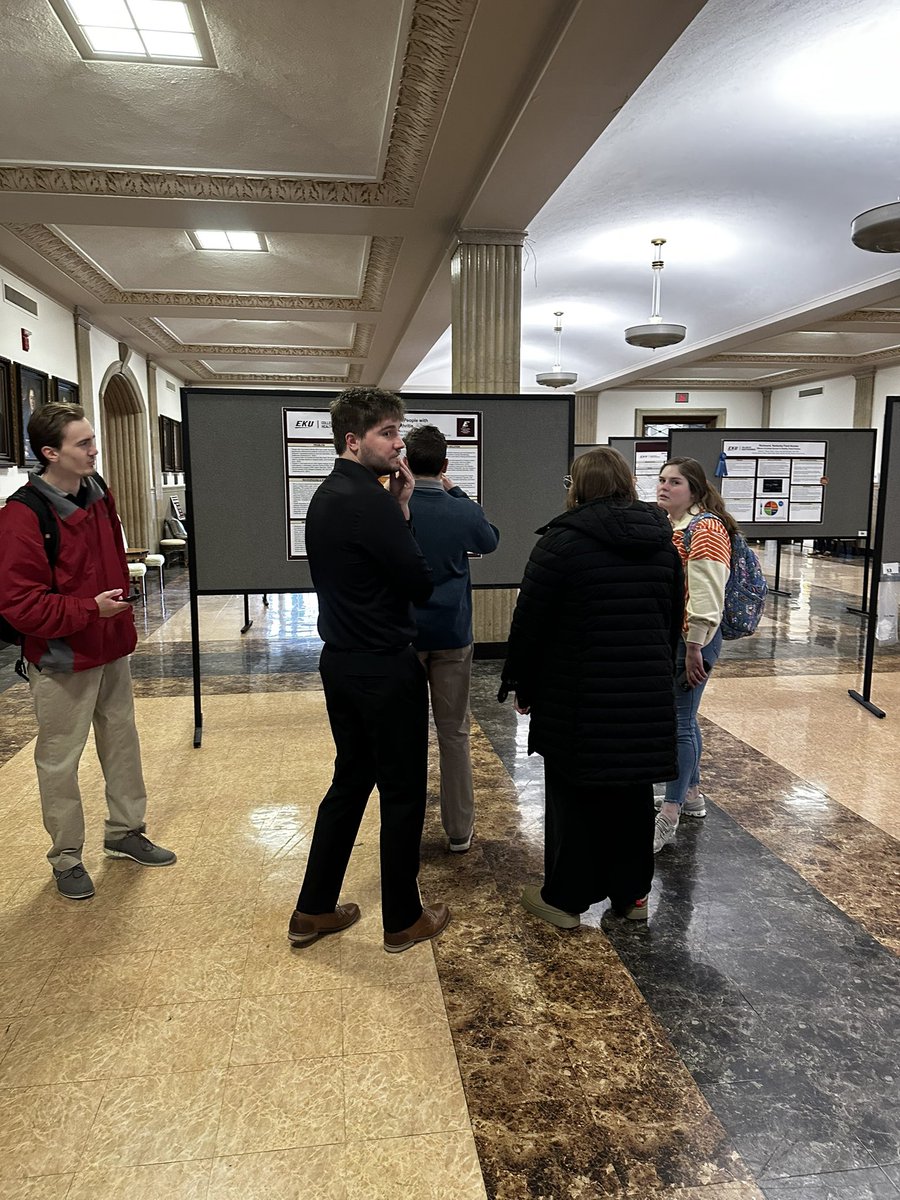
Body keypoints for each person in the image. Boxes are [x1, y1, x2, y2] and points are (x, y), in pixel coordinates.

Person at [289, 388, 450, 953]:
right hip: (384, 666)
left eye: (399, 430)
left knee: (352, 779)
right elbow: (418, 581)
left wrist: (397, 506)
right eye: (387, 433)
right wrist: (402, 512)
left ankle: (313, 908)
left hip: (342, 661)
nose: (399, 442)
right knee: (403, 791)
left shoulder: (328, 495)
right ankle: (403, 919)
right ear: (353, 441)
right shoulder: (369, 501)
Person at [499, 447, 684, 926]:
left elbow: (530, 624)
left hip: (576, 696)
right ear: (628, 484)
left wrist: (521, 682)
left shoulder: (560, 543)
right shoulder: (662, 542)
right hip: (642, 694)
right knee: (633, 794)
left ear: (576, 488)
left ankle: (564, 899)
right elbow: (669, 620)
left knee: (573, 796)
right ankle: (632, 898)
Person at [0, 403, 176, 900]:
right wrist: (88, 611)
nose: (95, 450)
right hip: (62, 659)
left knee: (122, 743)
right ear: (50, 452)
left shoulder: (97, 493)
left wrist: (115, 608)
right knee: (60, 759)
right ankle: (66, 856)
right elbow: (19, 605)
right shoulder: (22, 515)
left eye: (93, 440)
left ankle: (124, 832)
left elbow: (110, 562)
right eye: (83, 444)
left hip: (110, 647)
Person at [405, 424, 500, 853]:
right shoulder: (459, 509)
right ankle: (459, 831)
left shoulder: (392, 508)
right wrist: (457, 491)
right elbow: (490, 539)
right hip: (452, 634)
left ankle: (403, 830)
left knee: (405, 735)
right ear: (444, 465)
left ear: (404, 461)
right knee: (454, 733)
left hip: (403, 636)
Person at [653, 456, 736, 853]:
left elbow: (706, 596)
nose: (664, 487)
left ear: (695, 491)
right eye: (662, 480)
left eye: (675, 483)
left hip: (694, 640)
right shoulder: (677, 526)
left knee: (679, 722)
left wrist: (693, 648)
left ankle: (669, 812)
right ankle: (691, 794)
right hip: (682, 637)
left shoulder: (705, 530)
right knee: (686, 718)